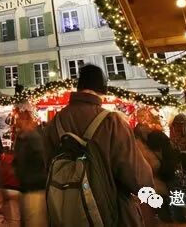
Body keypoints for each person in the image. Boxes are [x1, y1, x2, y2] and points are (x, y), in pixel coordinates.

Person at [39, 64, 154, 226]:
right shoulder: (112, 121)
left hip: (66, 213)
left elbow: (47, 167)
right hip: (110, 213)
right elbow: (136, 176)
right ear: (102, 89)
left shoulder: (54, 123)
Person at [135, 123, 186, 224]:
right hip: (168, 171)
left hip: (159, 175)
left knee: (162, 200)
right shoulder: (158, 138)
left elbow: (154, 164)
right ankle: (179, 219)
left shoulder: (145, 143)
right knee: (173, 195)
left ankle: (170, 220)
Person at [12, 110, 44, 226]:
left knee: (32, 221)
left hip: (34, 187)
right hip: (26, 186)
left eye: (19, 119)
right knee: (26, 220)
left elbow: (40, 160)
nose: (17, 122)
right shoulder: (21, 137)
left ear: (26, 120)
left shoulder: (33, 137)